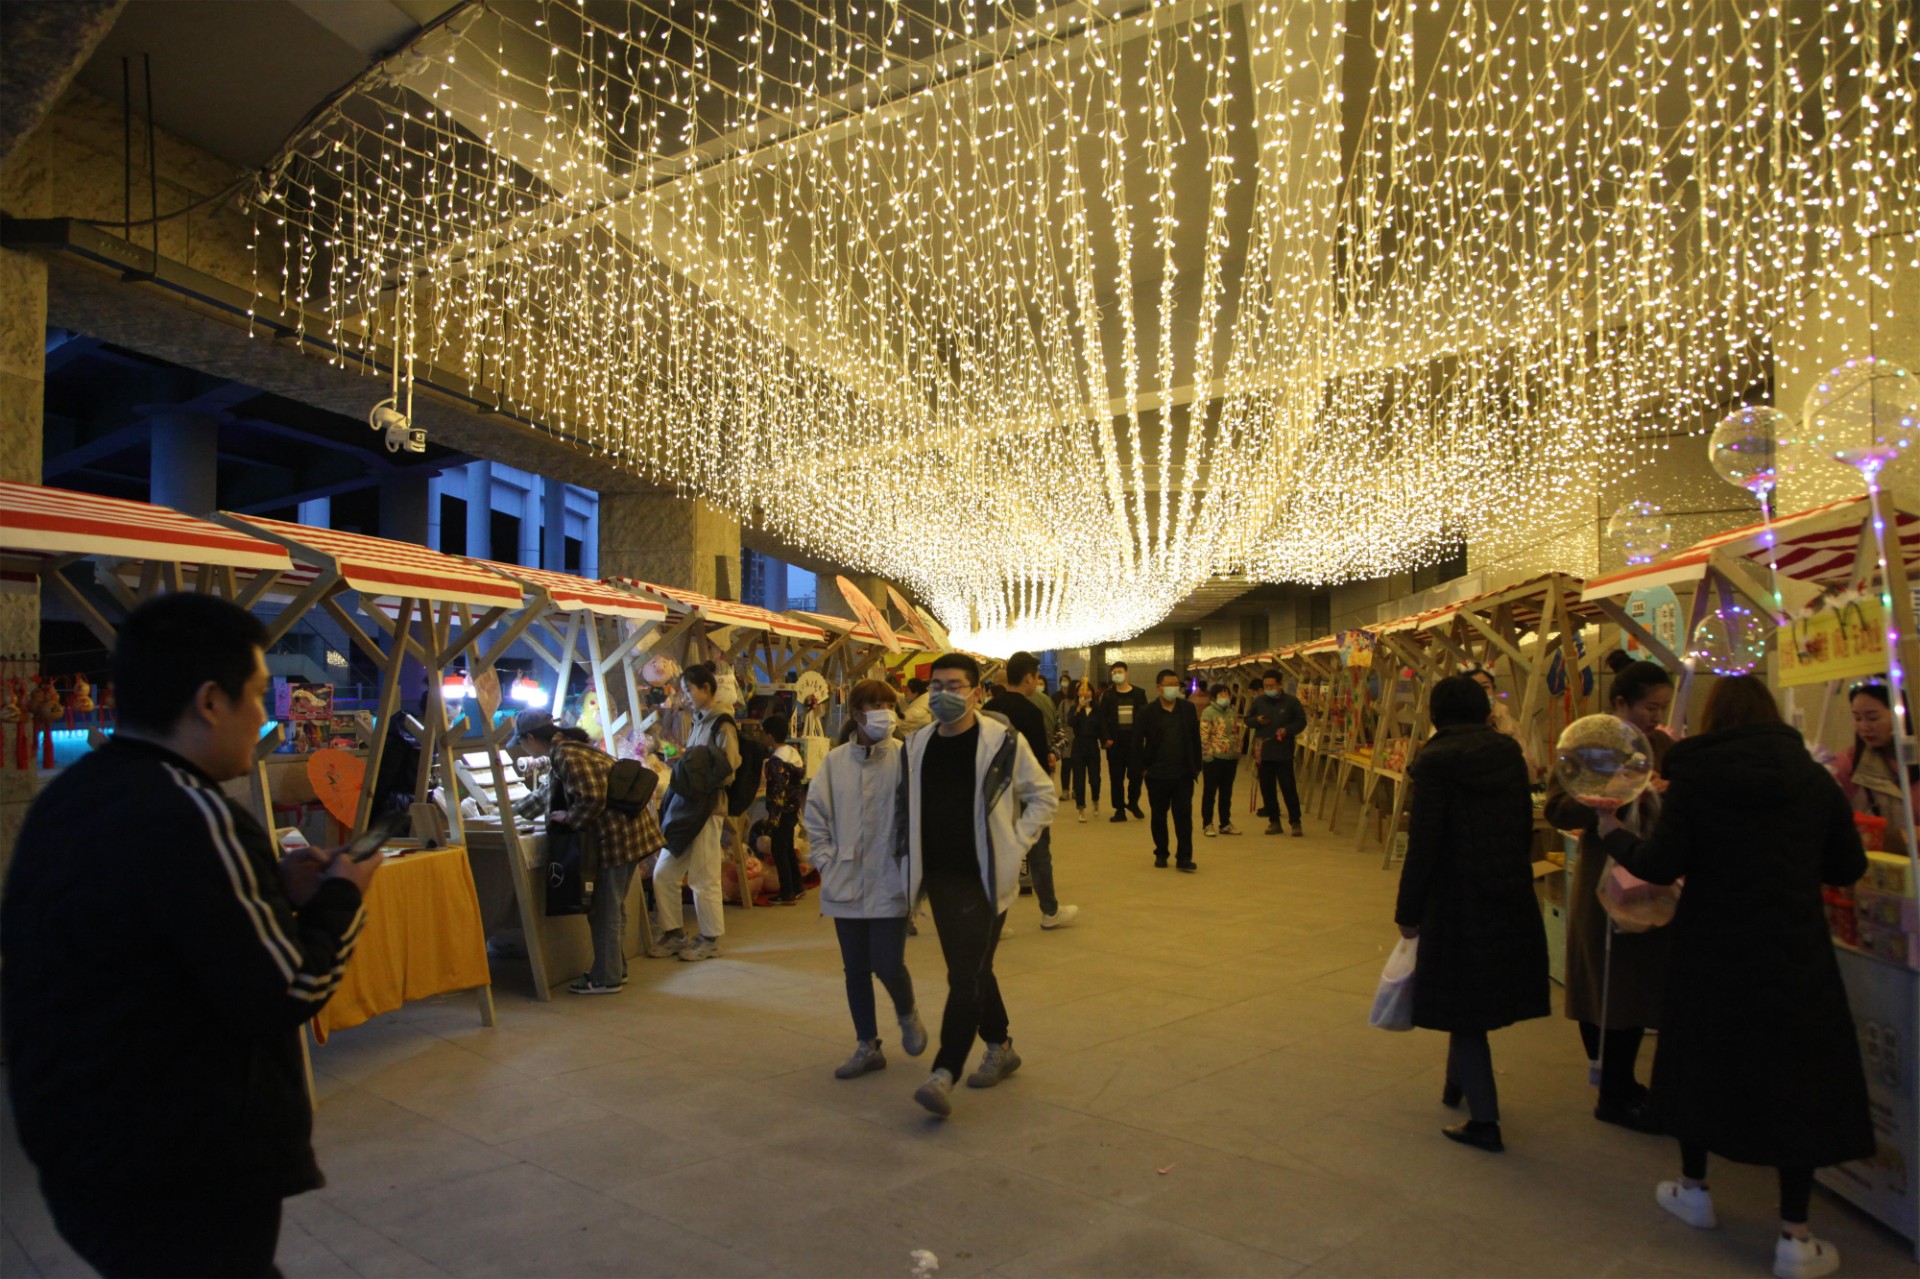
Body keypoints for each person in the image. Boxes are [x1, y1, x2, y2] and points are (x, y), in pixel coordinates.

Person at [2, 593, 379, 1278]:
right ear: (209, 701)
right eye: (258, 695)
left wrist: (271, 891)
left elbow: (157, 943)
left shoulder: (68, 797)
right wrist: (342, 896)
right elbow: (289, 988)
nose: (265, 715)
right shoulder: (194, 812)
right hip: (185, 1168)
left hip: (81, 1153)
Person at [1597, 676, 1872, 1279]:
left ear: (1714, 721)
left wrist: (1613, 833)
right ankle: (1795, 1236)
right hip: (1794, 951)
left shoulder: (1696, 780)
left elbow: (1660, 864)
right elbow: (1846, 866)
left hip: (1710, 949)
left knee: (1701, 1063)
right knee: (1795, 1077)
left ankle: (1694, 1190)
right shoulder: (1813, 781)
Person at [1393, 674, 1550, 1155]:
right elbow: (1522, 824)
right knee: (1475, 995)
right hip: (1507, 887)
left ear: (1436, 713)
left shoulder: (1435, 761)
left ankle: (1485, 1120)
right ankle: (1454, 1085)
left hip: (1456, 895)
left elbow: (1424, 844)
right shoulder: (1507, 754)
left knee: (1463, 1007)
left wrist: (1408, 909)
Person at [901, 652, 1058, 1117]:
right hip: (939, 877)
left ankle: (943, 1072)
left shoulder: (1002, 742)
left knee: (964, 974)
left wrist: (1015, 843)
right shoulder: (917, 744)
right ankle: (1001, 1045)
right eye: (936, 687)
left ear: (975, 693)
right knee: (974, 968)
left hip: (986, 876)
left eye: (954, 686)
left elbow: (1042, 796)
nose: (943, 695)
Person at [1543, 651, 1675, 1131]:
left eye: (1662, 708)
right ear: (1621, 703)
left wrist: (1664, 791)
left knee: (1637, 984)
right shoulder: (1590, 744)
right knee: (1602, 982)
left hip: (1651, 875)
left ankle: (1625, 1082)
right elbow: (1558, 808)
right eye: (1649, 708)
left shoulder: (1661, 744)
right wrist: (1614, 793)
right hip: (1603, 876)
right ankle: (1611, 1088)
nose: (1656, 718)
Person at [804, 679, 928, 1079]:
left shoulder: (906, 758)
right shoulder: (835, 762)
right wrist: (826, 860)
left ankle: (907, 1012)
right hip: (846, 877)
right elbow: (815, 814)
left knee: (888, 964)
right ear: (857, 712)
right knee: (855, 969)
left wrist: (915, 870)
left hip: (891, 879)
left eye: (889, 704)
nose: (884, 712)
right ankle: (867, 1045)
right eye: (875, 704)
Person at [511, 712, 668, 992]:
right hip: (627, 835)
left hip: (617, 838)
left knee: (604, 910)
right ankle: (614, 969)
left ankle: (605, 978)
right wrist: (510, 812)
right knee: (611, 907)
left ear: (531, 738)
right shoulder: (567, 749)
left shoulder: (566, 754)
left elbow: (592, 798)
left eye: (521, 742)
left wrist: (569, 817)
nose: (523, 748)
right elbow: (547, 793)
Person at [985, 651, 1077, 929]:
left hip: (993, 793)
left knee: (995, 854)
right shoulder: (1031, 711)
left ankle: (994, 922)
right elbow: (1036, 760)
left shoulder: (988, 709)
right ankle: (1050, 912)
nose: (1037, 682)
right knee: (1039, 853)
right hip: (1024, 793)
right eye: (1036, 677)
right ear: (1028, 678)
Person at [653, 662, 738, 961]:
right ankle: (674, 933)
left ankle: (710, 939)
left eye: (689, 690)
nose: (686, 696)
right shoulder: (698, 722)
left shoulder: (722, 724)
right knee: (664, 873)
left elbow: (729, 769)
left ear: (706, 688)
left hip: (707, 809)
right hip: (685, 809)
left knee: (704, 877)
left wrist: (695, 776)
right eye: (684, 690)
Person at [1832, 681, 1920, 846]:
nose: (1864, 727)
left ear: (1901, 716)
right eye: (1857, 718)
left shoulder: (1911, 762)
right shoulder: (1846, 764)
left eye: (1873, 718)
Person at [1137, 668, 1204, 871]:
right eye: (1169, 685)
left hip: (1183, 774)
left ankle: (1184, 857)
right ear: (1159, 688)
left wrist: (1196, 766)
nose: (1174, 688)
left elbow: (1195, 738)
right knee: (1159, 816)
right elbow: (1136, 742)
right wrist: (1143, 769)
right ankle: (1161, 852)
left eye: (1176, 685)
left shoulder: (1187, 709)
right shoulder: (1147, 712)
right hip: (1156, 774)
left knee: (1184, 817)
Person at [1246, 667, 1308, 836]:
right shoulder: (1258, 702)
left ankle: (1295, 821)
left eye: (1271, 686)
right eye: (1266, 686)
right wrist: (1257, 720)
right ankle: (1274, 821)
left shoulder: (1291, 702)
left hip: (1283, 752)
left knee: (1288, 787)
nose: (1269, 689)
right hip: (1263, 752)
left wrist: (1287, 730)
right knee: (1267, 789)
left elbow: (1301, 721)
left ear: (1280, 685)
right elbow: (1248, 720)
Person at [761, 712, 807, 905]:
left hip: (781, 812)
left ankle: (787, 892)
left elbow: (776, 793)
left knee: (779, 850)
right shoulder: (793, 754)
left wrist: (772, 819)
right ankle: (797, 886)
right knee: (788, 847)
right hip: (793, 808)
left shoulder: (776, 762)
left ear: (770, 736)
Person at [1096, 660, 1148, 821]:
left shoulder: (1139, 694)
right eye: (1114, 673)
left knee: (1136, 776)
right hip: (1115, 743)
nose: (1117, 675)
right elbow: (1102, 719)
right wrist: (1105, 738)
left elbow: (1145, 718)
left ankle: (1133, 803)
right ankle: (1119, 809)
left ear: (1126, 673)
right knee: (1116, 778)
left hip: (1135, 743)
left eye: (1119, 672)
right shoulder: (1108, 695)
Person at [1200, 682, 1244, 837]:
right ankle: (1207, 824)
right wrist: (1207, 756)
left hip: (1230, 758)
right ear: (1214, 697)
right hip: (1214, 758)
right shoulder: (1208, 713)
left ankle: (1225, 823)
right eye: (1221, 694)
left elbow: (1235, 733)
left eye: (1227, 694)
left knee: (1226, 793)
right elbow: (1204, 735)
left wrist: (1237, 751)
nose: (1224, 697)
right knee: (1210, 793)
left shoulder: (1232, 712)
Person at [1065, 681, 1103, 821]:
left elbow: (1102, 727)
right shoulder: (1074, 708)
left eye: (1088, 690)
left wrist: (1106, 740)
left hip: (1092, 745)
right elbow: (1070, 722)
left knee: (1095, 778)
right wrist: (1078, 709)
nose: (1085, 692)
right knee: (1079, 778)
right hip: (1079, 745)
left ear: (1092, 693)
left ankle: (1095, 799)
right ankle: (1081, 808)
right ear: (1077, 693)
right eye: (1082, 689)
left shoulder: (1097, 709)